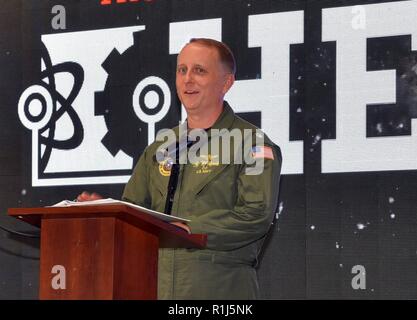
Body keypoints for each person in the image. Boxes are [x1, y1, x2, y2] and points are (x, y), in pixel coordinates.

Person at [78, 38, 282, 299]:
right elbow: (134, 212)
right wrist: (107, 213)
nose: (187, 80)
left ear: (226, 82)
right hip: (157, 287)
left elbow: (255, 216)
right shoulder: (160, 147)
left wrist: (190, 227)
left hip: (220, 291)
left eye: (199, 70)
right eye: (181, 70)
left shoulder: (253, 144)